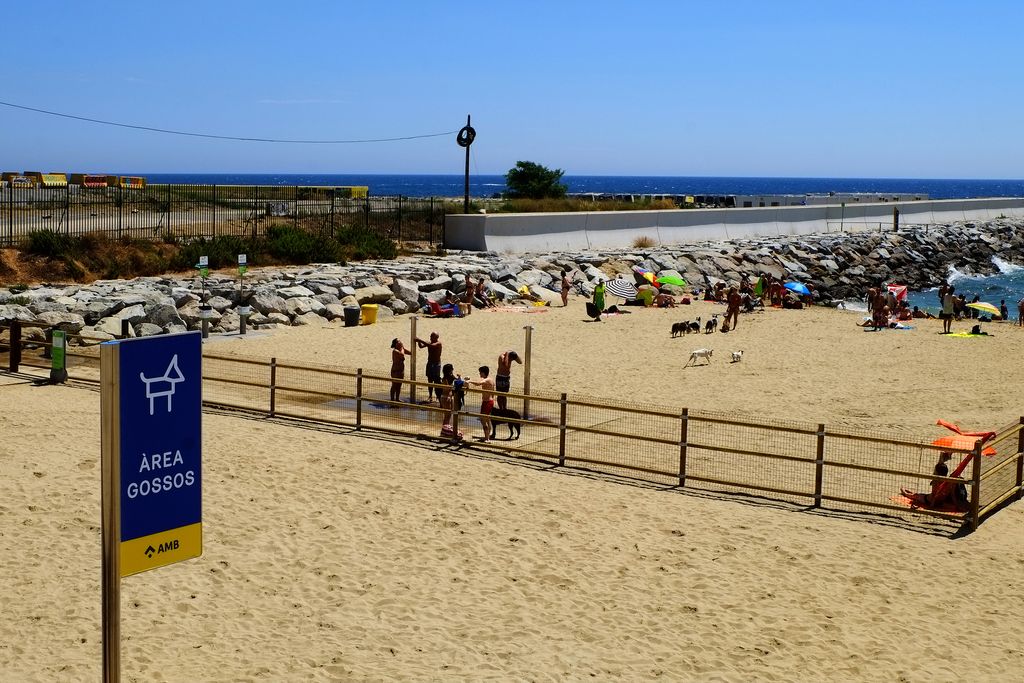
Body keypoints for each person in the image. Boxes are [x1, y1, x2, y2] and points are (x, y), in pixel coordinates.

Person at [466, 365, 495, 441]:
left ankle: (487, 438)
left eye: (480, 373)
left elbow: (479, 383)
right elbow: (493, 392)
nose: (480, 374)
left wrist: (470, 381)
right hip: (489, 401)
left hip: (487, 402)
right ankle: (487, 436)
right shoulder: (491, 380)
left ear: (483, 372)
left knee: (483, 420)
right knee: (487, 419)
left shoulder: (487, 380)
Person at [415, 332, 443, 402]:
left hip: (436, 364)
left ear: (436, 337)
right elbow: (421, 346)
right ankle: (430, 396)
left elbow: (432, 346)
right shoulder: (429, 342)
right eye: (430, 336)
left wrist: (419, 340)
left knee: (436, 381)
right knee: (430, 380)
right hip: (430, 363)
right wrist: (418, 341)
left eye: (432, 336)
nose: (430, 337)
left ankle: (438, 396)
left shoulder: (438, 343)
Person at [389, 338, 411, 404]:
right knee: (394, 385)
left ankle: (397, 398)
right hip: (396, 371)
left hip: (401, 370)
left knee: (399, 385)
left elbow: (410, 353)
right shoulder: (395, 351)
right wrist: (402, 348)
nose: (400, 342)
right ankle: (392, 400)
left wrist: (403, 348)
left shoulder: (401, 349)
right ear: (396, 344)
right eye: (399, 341)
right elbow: (402, 355)